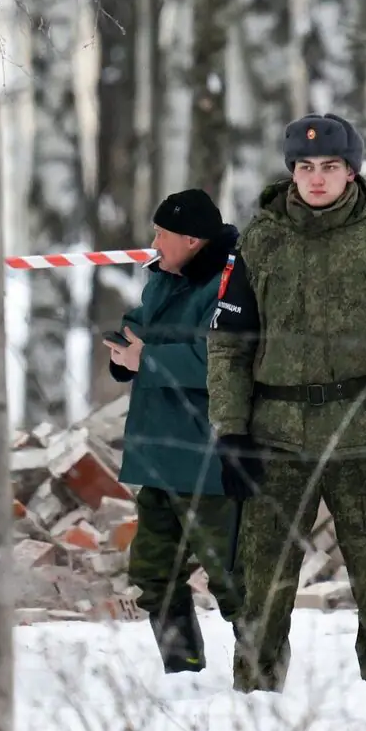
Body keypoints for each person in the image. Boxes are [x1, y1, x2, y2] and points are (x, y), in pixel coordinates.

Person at [207, 113, 366, 691]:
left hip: (360, 428)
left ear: (351, 171)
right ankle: (255, 698)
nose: (316, 178)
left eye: (330, 166)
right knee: (263, 580)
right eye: (305, 167)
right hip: (274, 433)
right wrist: (230, 432)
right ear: (292, 171)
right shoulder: (260, 239)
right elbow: (229, 344)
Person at [110, 189, 246, 676]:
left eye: (161, 234)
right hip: (159, 453)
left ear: (191, 239)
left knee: (234, 579)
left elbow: (220, 358)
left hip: (208, 458)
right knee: (153, 572)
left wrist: (145, 359)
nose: (154, 243)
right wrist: (124, 348)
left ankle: (263, 677)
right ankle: (182, 669)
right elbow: (143, 322)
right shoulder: (165, 276)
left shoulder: (233, 281)